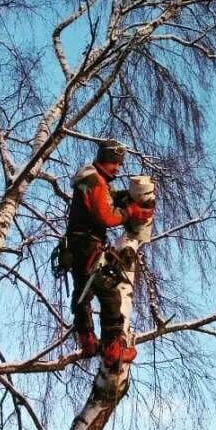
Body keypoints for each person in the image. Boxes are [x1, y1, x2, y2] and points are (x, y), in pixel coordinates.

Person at [66, 140, 154, 367]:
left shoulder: (94, 179)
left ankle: (88, 341)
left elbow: (106, 201)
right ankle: (113, 350)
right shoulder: (94, 181)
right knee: (110, 294)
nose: (118, 168)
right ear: (107, 159)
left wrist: (123, 197)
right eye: (116, 163)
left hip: (78, 245)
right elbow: (106, 216)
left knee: (83, 293)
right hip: (88, 244)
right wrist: (131, 211)